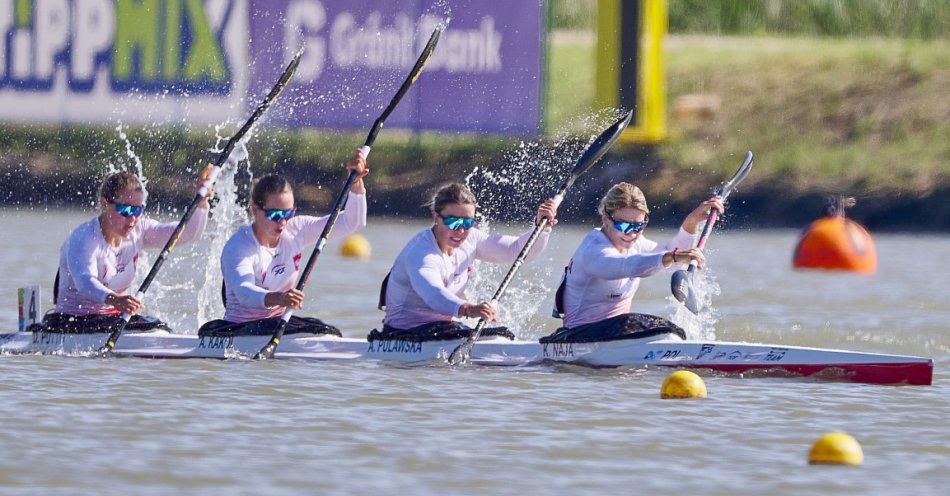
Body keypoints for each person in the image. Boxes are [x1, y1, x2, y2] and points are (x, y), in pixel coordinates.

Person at [198, 149, 369, 338]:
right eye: (275, 215)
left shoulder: (297, 230)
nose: (283, 222)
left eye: (288, 213)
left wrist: (356, 183)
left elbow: (353, 222)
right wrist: (280, 298)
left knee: (327, 332)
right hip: (241, 328)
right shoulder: (239, 246)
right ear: (255, 210)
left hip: (279, 323)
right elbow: (244, 292)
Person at [371, 183, 558, 342]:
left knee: (501, 336)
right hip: (403, 334)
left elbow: (518, 252)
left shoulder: (471, 239)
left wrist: (541, 227)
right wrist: (469, 309)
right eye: (453, 222)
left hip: (442, 329)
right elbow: (434, 295)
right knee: (495, 337)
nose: (461, 230)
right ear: (435, 217)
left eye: (468, 223)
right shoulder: (422, 254)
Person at [37, 166, 214, 333]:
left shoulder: (140, 230)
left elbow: (188, 234)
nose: (132, 218)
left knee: (158, 326)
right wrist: (115, 299)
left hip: (113, 319)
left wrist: (202, 202)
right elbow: (85, 282)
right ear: (105, 203)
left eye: (138, 210)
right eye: (125, 209)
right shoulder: (84, 238)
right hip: (74, 321)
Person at [542, 182, 724, 343]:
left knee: (664, 329)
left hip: (617, 337)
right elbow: (626, 265)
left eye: (639, 226)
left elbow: (672, 260)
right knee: (654, 327)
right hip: (577, 337)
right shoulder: (593, 250)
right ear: (605, 217)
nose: (631, 233)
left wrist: (691, 222)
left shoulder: (635, 242)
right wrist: (674, 255)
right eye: (623, 225)